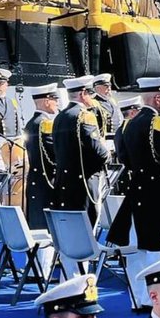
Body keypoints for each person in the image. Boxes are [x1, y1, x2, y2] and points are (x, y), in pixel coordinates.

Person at [108, 77, 160, 302]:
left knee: (137, 248)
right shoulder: (156, 122)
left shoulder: (130, 123)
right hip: (157, 190)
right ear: (158, 98)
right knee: (158, 249)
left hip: (136, 189)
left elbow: (124, 158)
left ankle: (139, 297)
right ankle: (157, 298)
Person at [51, 75, 110, 225]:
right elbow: (98, 151)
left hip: (64, 182)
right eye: (91, 94)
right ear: (83, 93)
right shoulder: (85, 116)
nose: (92, 98)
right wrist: (108, 153)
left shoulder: (60, 116)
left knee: (70, 228)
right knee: (88, 227)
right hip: (84, 183)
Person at [23, 82, 60, 230]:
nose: (57, 103)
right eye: (54, 99)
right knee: (48, 232)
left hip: (35, 181)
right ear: (46, 101)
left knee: (37, 230)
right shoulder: (46, 124)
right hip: (47, 182)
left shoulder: (31, 123)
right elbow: (54, 155)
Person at [91, 74, 122, 139]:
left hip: (114, 136)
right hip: (103, 138)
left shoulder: (111, 101)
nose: (109, 89)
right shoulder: (94, 102)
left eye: (110, 86)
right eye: (106, 86)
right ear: (97, 88)